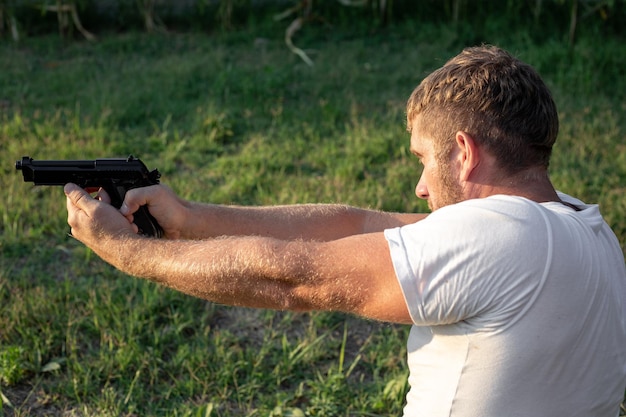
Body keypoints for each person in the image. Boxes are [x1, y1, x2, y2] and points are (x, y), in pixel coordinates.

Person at [64, 45, 626, 416]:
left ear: (464, 153)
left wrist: (125, 251)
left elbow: (292, 280)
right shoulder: (585, 229)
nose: (420, 188)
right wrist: (191, 218)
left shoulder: (500, 237)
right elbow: (359, 224)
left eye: (423, 159)